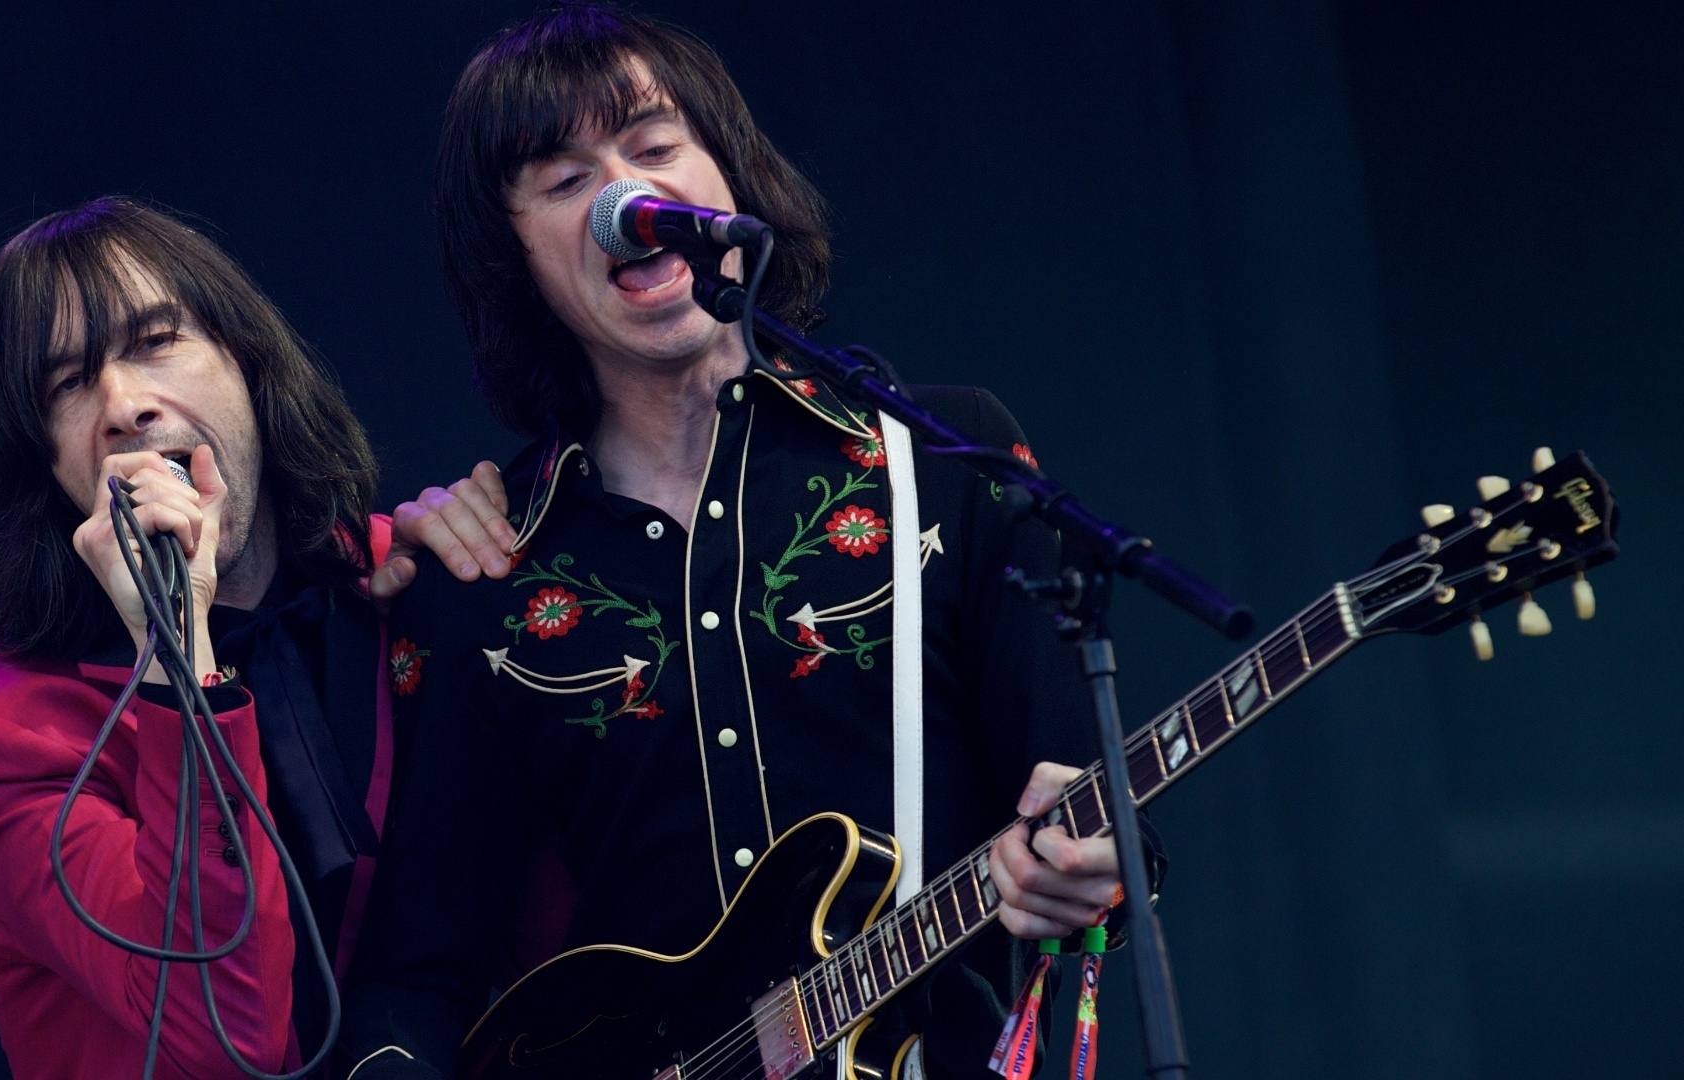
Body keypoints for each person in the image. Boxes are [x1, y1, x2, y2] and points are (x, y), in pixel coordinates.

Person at [344, 8, 1147, 1079]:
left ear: (728, 178)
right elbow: (416, 974)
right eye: (567, 179)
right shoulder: (491, 571)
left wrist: (1095, 864)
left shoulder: (941, 461)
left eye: (653, 145)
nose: (626, 196)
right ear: (514, 256)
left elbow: (1092, 817)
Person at [0, 197, 485, 1079]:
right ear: (46, 464)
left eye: (154, 341)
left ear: (248, 361)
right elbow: (221, 1037)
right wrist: (175, 653)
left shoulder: (396, 578)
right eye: (66, 386)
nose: (123, 406)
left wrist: (489, 547)